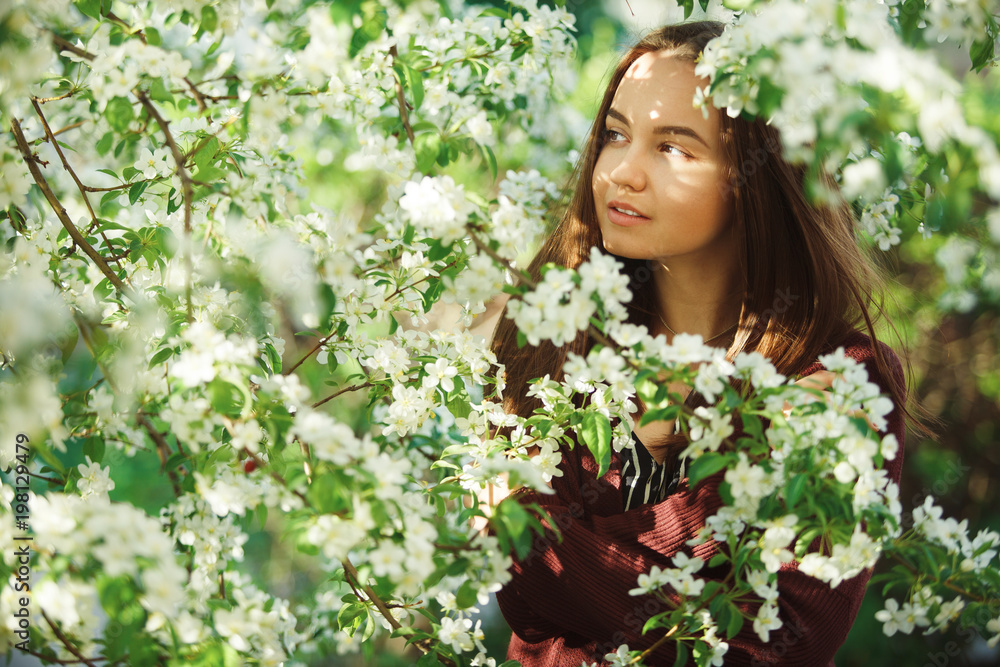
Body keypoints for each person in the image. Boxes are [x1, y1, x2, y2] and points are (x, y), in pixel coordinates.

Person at [484, 20, 910, 667]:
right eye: (615, 135)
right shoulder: (553, 329)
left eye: (674, 148)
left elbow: (778, 642)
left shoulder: (841, 378)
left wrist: (521, 529)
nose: (622, 172)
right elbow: (530, 605)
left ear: (756, 179)